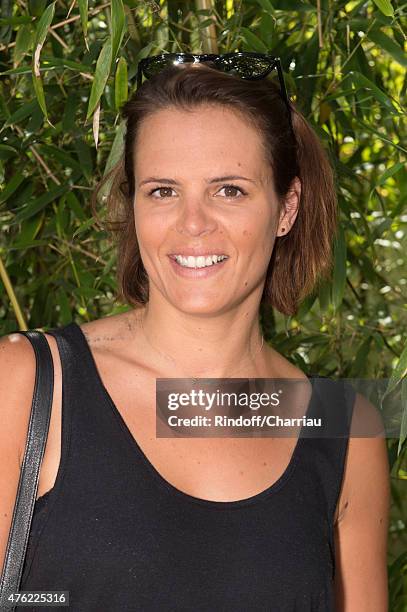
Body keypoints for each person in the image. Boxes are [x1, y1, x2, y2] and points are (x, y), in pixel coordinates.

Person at [0, 55, 390, 611]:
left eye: (229, 190)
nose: (192, 223)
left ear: (287, 207)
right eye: (163, 191)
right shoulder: (28, 383)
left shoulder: (345, 428)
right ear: (132, 204)